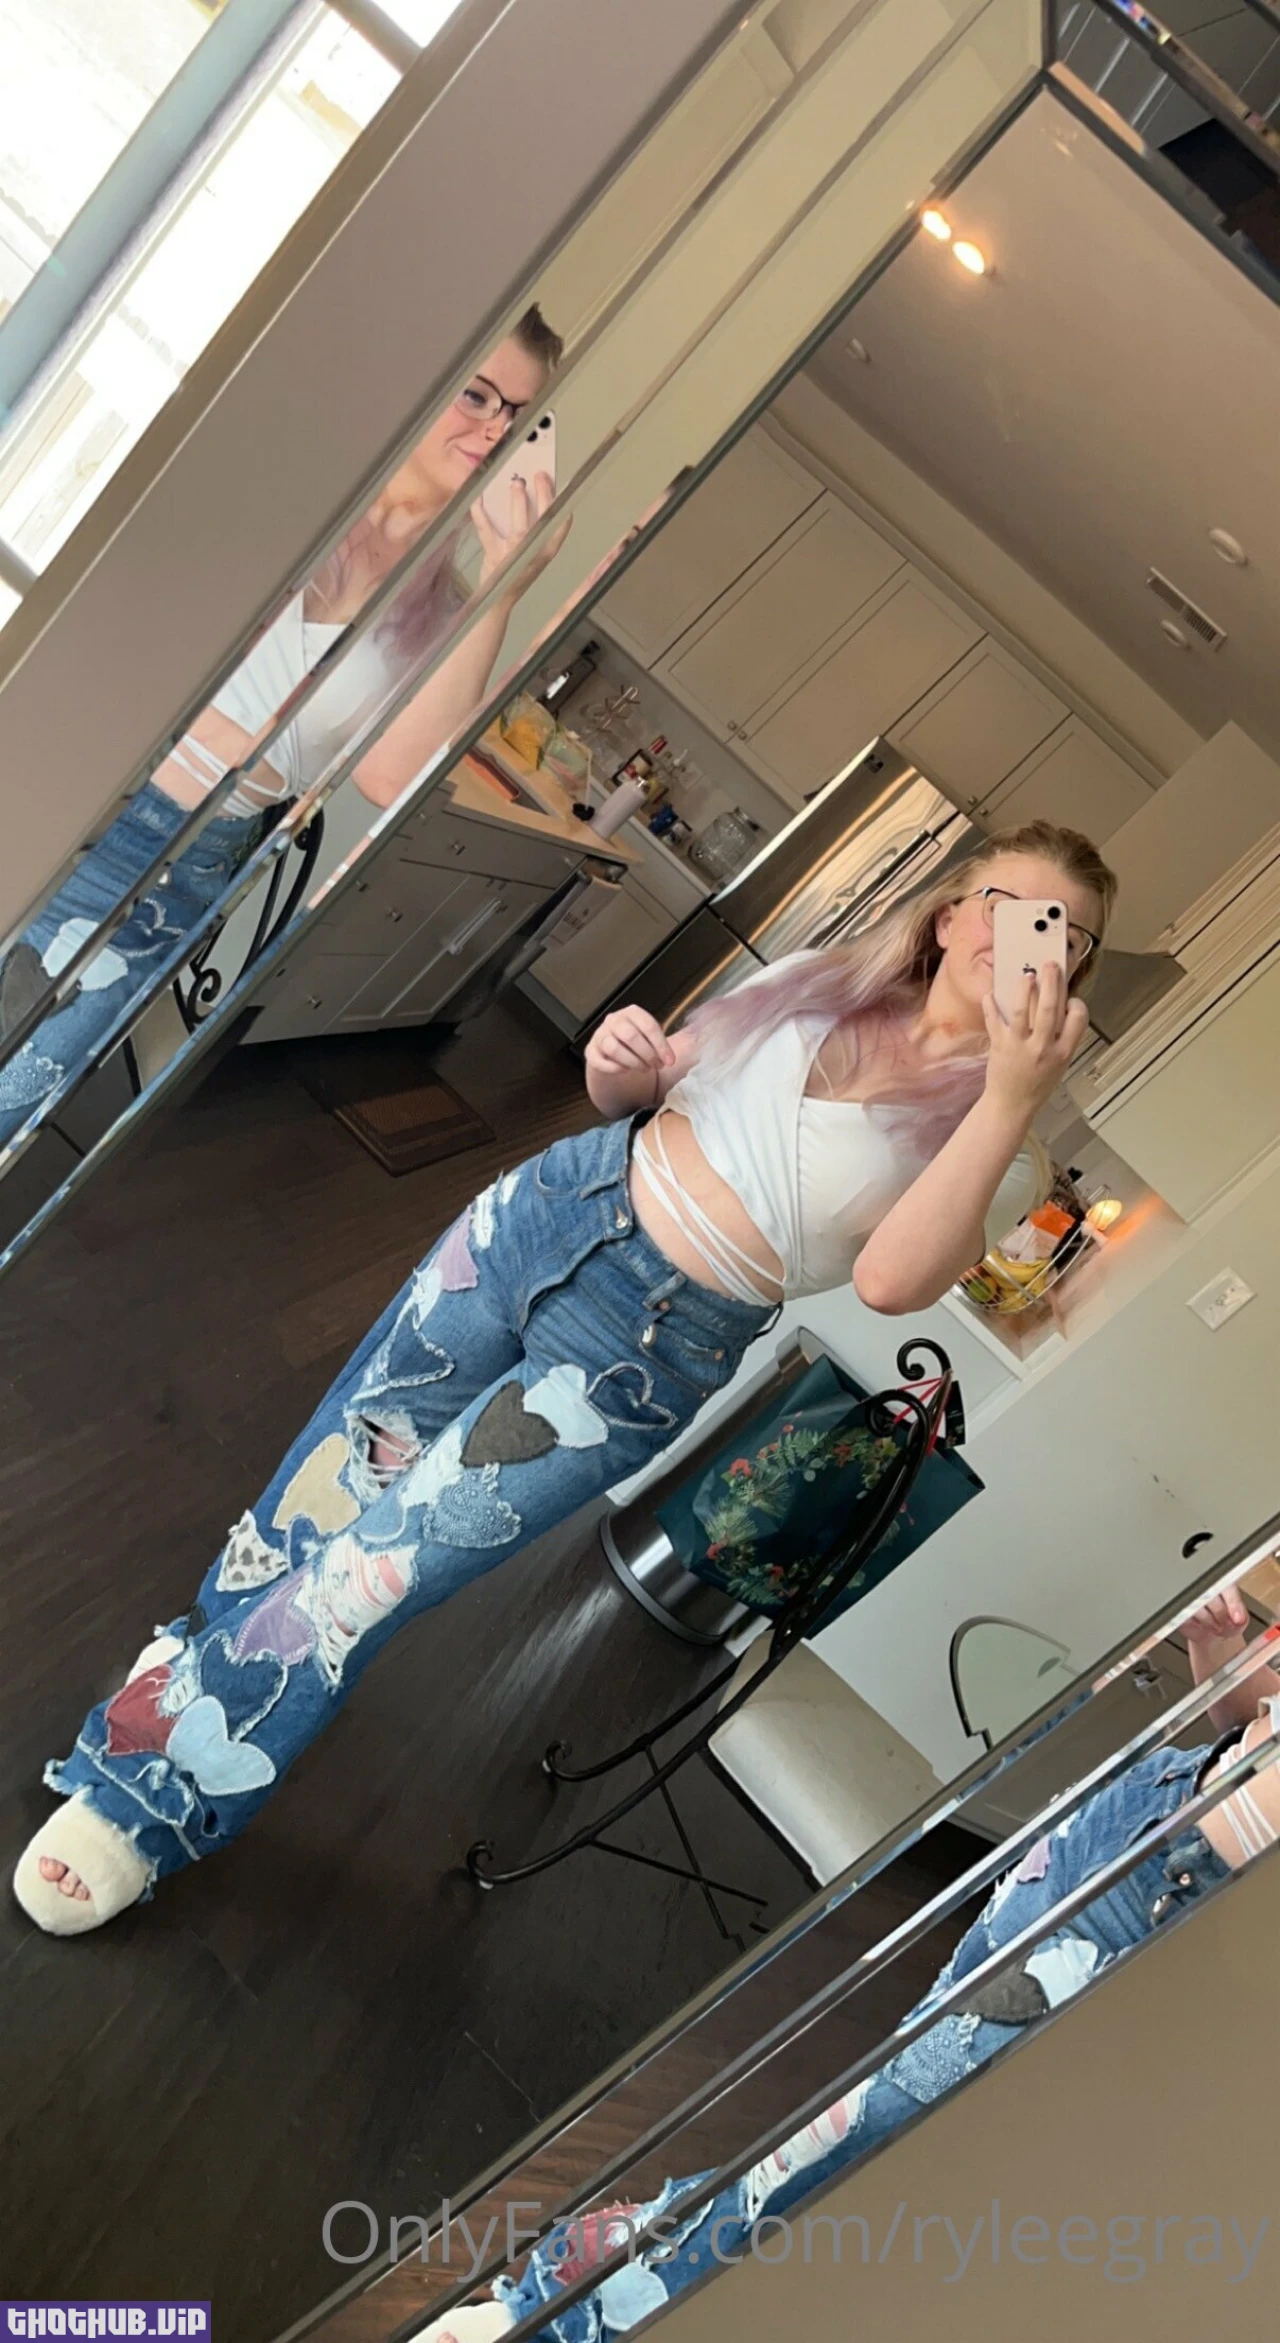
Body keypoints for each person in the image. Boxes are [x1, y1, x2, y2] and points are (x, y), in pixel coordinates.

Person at [13, 820, 1115, 1933]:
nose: (1030, 939)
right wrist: (619, 1065)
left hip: (639, 1349)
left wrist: (1011, 1094)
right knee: (332, 1478)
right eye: (1009, 905)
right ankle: (181, 1683)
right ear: (949, 913)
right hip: (553, 1206)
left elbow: (888, 1281)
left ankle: (141, 1806)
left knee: (378, 1572)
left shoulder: (1006, 1147)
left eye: (1066, 934)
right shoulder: (816, 982)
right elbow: (644, 1089)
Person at [434, 1588, 1278, 2343]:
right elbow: (1252, 1722)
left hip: (1163, 1900)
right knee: (869, 2118)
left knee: (856, 2139)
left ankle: (560, 2316)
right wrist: (1220, 1651)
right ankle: (581, 2301)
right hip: (1137, 1811)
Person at [0, 306, 566, 1140]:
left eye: (519, 416)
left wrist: (503, 589)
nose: (493, 429)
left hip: (184, 872)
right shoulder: (294, 479)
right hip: (77, 785)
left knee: (13, 1094)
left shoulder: (446, 612)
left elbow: (388, 779)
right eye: (478, 396)